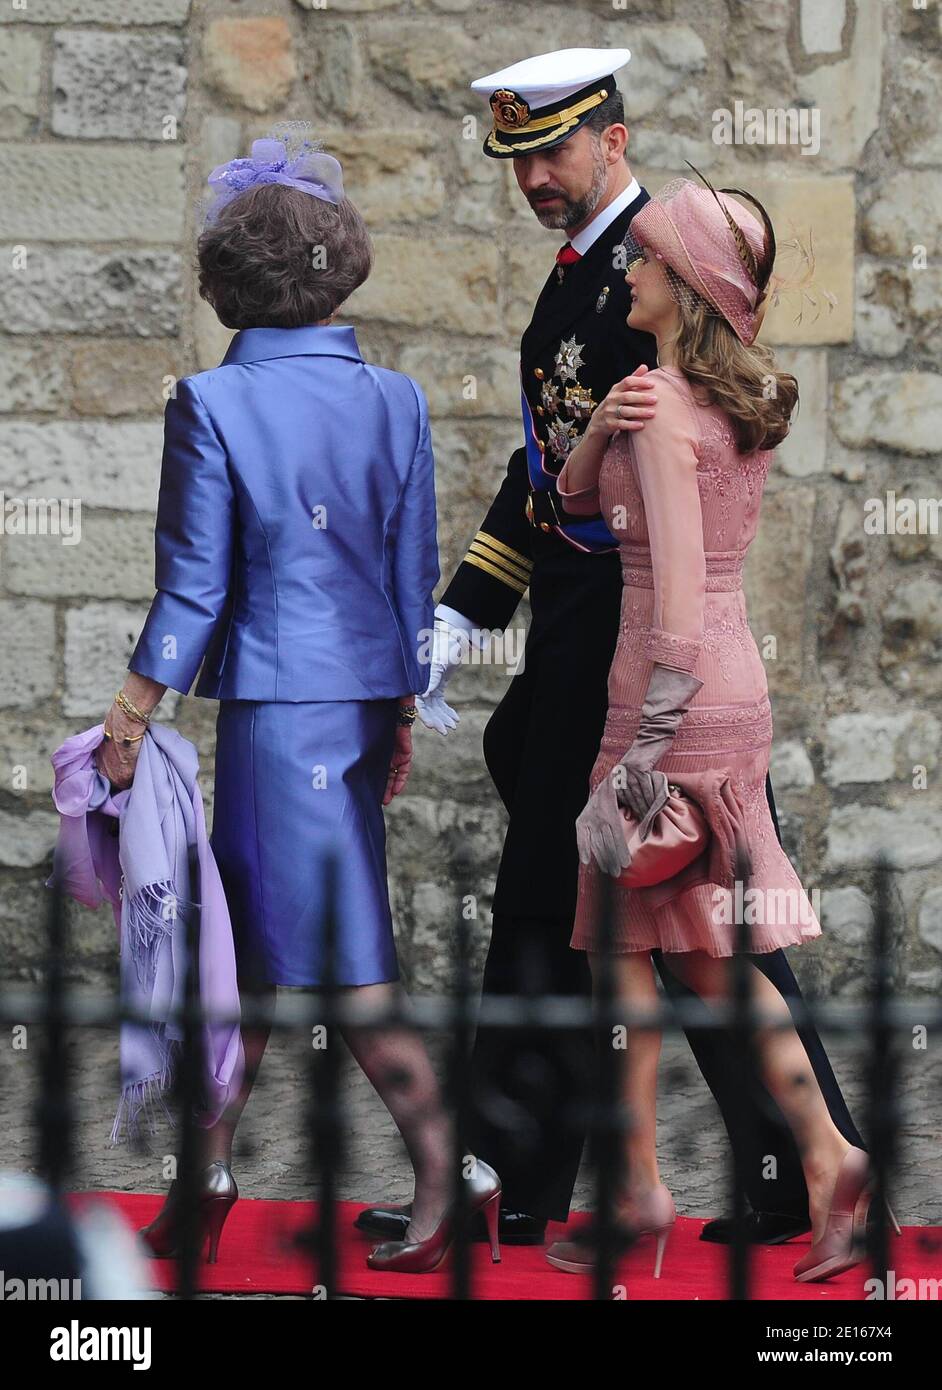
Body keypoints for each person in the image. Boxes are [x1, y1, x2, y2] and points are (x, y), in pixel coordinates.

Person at [357, 46, 862, 1249]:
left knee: (651, 914)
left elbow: (613, 486)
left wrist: (602, 677)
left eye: (552, 150)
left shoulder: (656, 278)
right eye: (518, 156)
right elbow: (551, 462)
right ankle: (554, 1173)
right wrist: (468, 609)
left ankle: (552, 1176)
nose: (534, 175)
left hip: (632, 651)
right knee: (638, 914)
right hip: (597, 637)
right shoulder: (590, 276)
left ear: (614, 140)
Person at [95, 134, 500, 1274]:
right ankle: (205, 1171)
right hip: (363, 702)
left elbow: (192, 586)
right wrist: (407, 712)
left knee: (339, 957)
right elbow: (408, 573)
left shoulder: (215, 403)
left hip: (278, 712)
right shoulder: (398, 398)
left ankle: (453, 1167)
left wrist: (131, 715)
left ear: (235, 282)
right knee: (257, 954)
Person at [543, 174, 882, 1284]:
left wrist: (641, 754)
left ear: (682, 287)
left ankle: (653, 1187)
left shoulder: (669, 414)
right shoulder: (721, 400)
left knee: (633, 952)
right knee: (690, 958)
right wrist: (598, 424)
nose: (627, 271)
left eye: (644, 260)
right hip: (727, 702)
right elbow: (576, 507)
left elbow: (674, 600)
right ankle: (820, 1160)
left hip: (665, 706)